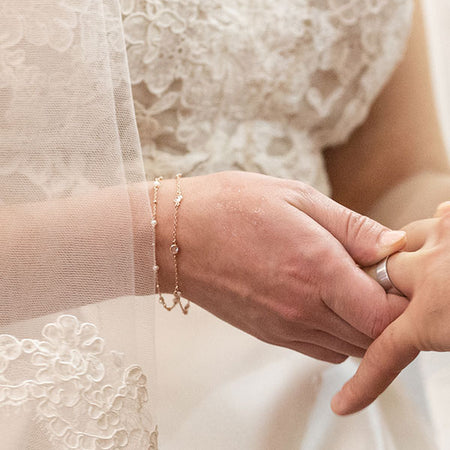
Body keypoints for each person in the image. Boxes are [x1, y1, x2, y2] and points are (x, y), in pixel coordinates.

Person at [0, 0, 448, 449]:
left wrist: (433, 249)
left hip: (310, 409)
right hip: (55, 394)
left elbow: (390, 179)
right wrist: (162, 235)